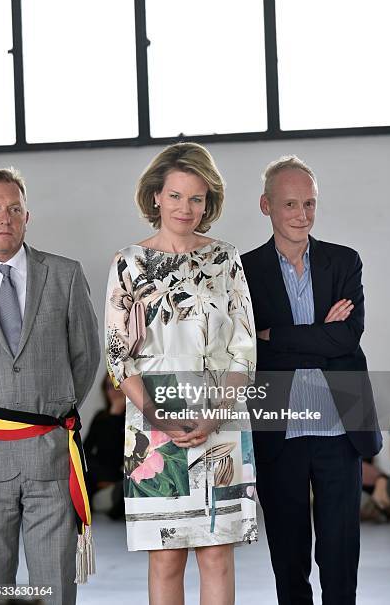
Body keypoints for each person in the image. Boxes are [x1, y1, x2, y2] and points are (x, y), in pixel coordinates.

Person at [105, 142, 258, 605]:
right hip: (153, 427)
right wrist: (155, 414)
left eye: (196, 198)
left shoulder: (226, 259)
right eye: (175, 196)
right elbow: (118, 358)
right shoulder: (127, 264)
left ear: (208, 201)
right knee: (166, 556)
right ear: (155, 197)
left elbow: (244, 350)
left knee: (216, 554)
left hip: (221, 420)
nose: (185, 208)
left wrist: (216, 413)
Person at [241, 156, 382, 605]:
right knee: (289, 554)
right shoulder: (242, 272)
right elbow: (249, 349)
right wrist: (319, 334)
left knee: (341, 555)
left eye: (310, 204)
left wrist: (277, 335)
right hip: (279, 427)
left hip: (342, 425)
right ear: (266, 206)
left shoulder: (344, 261)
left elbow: (347, 336)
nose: (303, 215)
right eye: (291, 205)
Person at [0, 168, 100, 605]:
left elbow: (86, 357)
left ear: (27, 216)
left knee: (52, 585)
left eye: (14, 209)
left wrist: (53, 410)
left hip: (49, 456)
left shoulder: (64, 275)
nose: (4, 218)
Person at [84, 374, 126, 519]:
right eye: (110, 386)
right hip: (98, 470)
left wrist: (116, 415)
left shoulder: (135, 418)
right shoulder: (100, 417)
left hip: (122, 471)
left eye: (118, 386)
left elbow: (119, 452)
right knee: (83, 465)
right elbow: (86, 449)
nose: (115, 391)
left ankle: (116, 503)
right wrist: (113, 415)